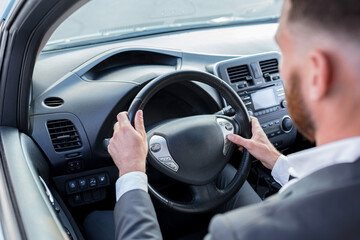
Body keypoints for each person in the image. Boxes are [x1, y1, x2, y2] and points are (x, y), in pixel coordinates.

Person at [107, 0, 360, 239]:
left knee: (97, 223)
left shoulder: (243, 232)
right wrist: (276, 161)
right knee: (225, 175)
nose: (279, 72)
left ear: (317, 74)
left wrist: (131, 171)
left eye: (284, 54)